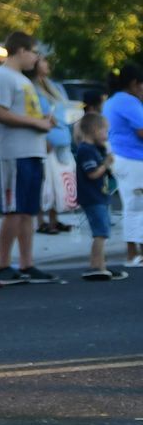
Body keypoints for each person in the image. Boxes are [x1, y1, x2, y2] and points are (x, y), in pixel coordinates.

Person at [0, 32, 51, 286]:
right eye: (34, 52)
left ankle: (27, 262)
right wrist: (36, 123)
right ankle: (3, 264)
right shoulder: (3, 76)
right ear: (21, 51)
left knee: (27, 210)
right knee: (13, 210)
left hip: (31, 151)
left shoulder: (21, 79)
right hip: (13, 153)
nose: (36, 58)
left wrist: (44, 123)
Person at [72, 98, 121, 281]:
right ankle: (96, 266)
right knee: (100, 233)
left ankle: (101, 265)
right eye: (104, 130)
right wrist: (106, 164)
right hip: (93, 197)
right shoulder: (86, 151)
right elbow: (92, 173)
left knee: (103, 231)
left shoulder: (94, 149)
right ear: (94, 130)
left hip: (100, 196)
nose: (107, 134)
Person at [31, 45, 74, 233]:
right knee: (45, 182)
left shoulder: (53, 86)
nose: (47, 64)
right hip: (44, 140)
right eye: (44, 60)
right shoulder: (30, 87)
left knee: (58, 181)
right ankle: (41, 221)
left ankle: (54, 219)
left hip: (61, 139)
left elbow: (63, 113)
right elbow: (34, 115)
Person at [106, 57, 143, 268]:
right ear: (134, 83)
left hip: (123, 158)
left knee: (135, 206)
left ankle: (136, 252)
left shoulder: (114, 100)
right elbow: (141, 131)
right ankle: (132, 254)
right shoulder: (129, 102)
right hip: (132, 159)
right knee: (135, 206)